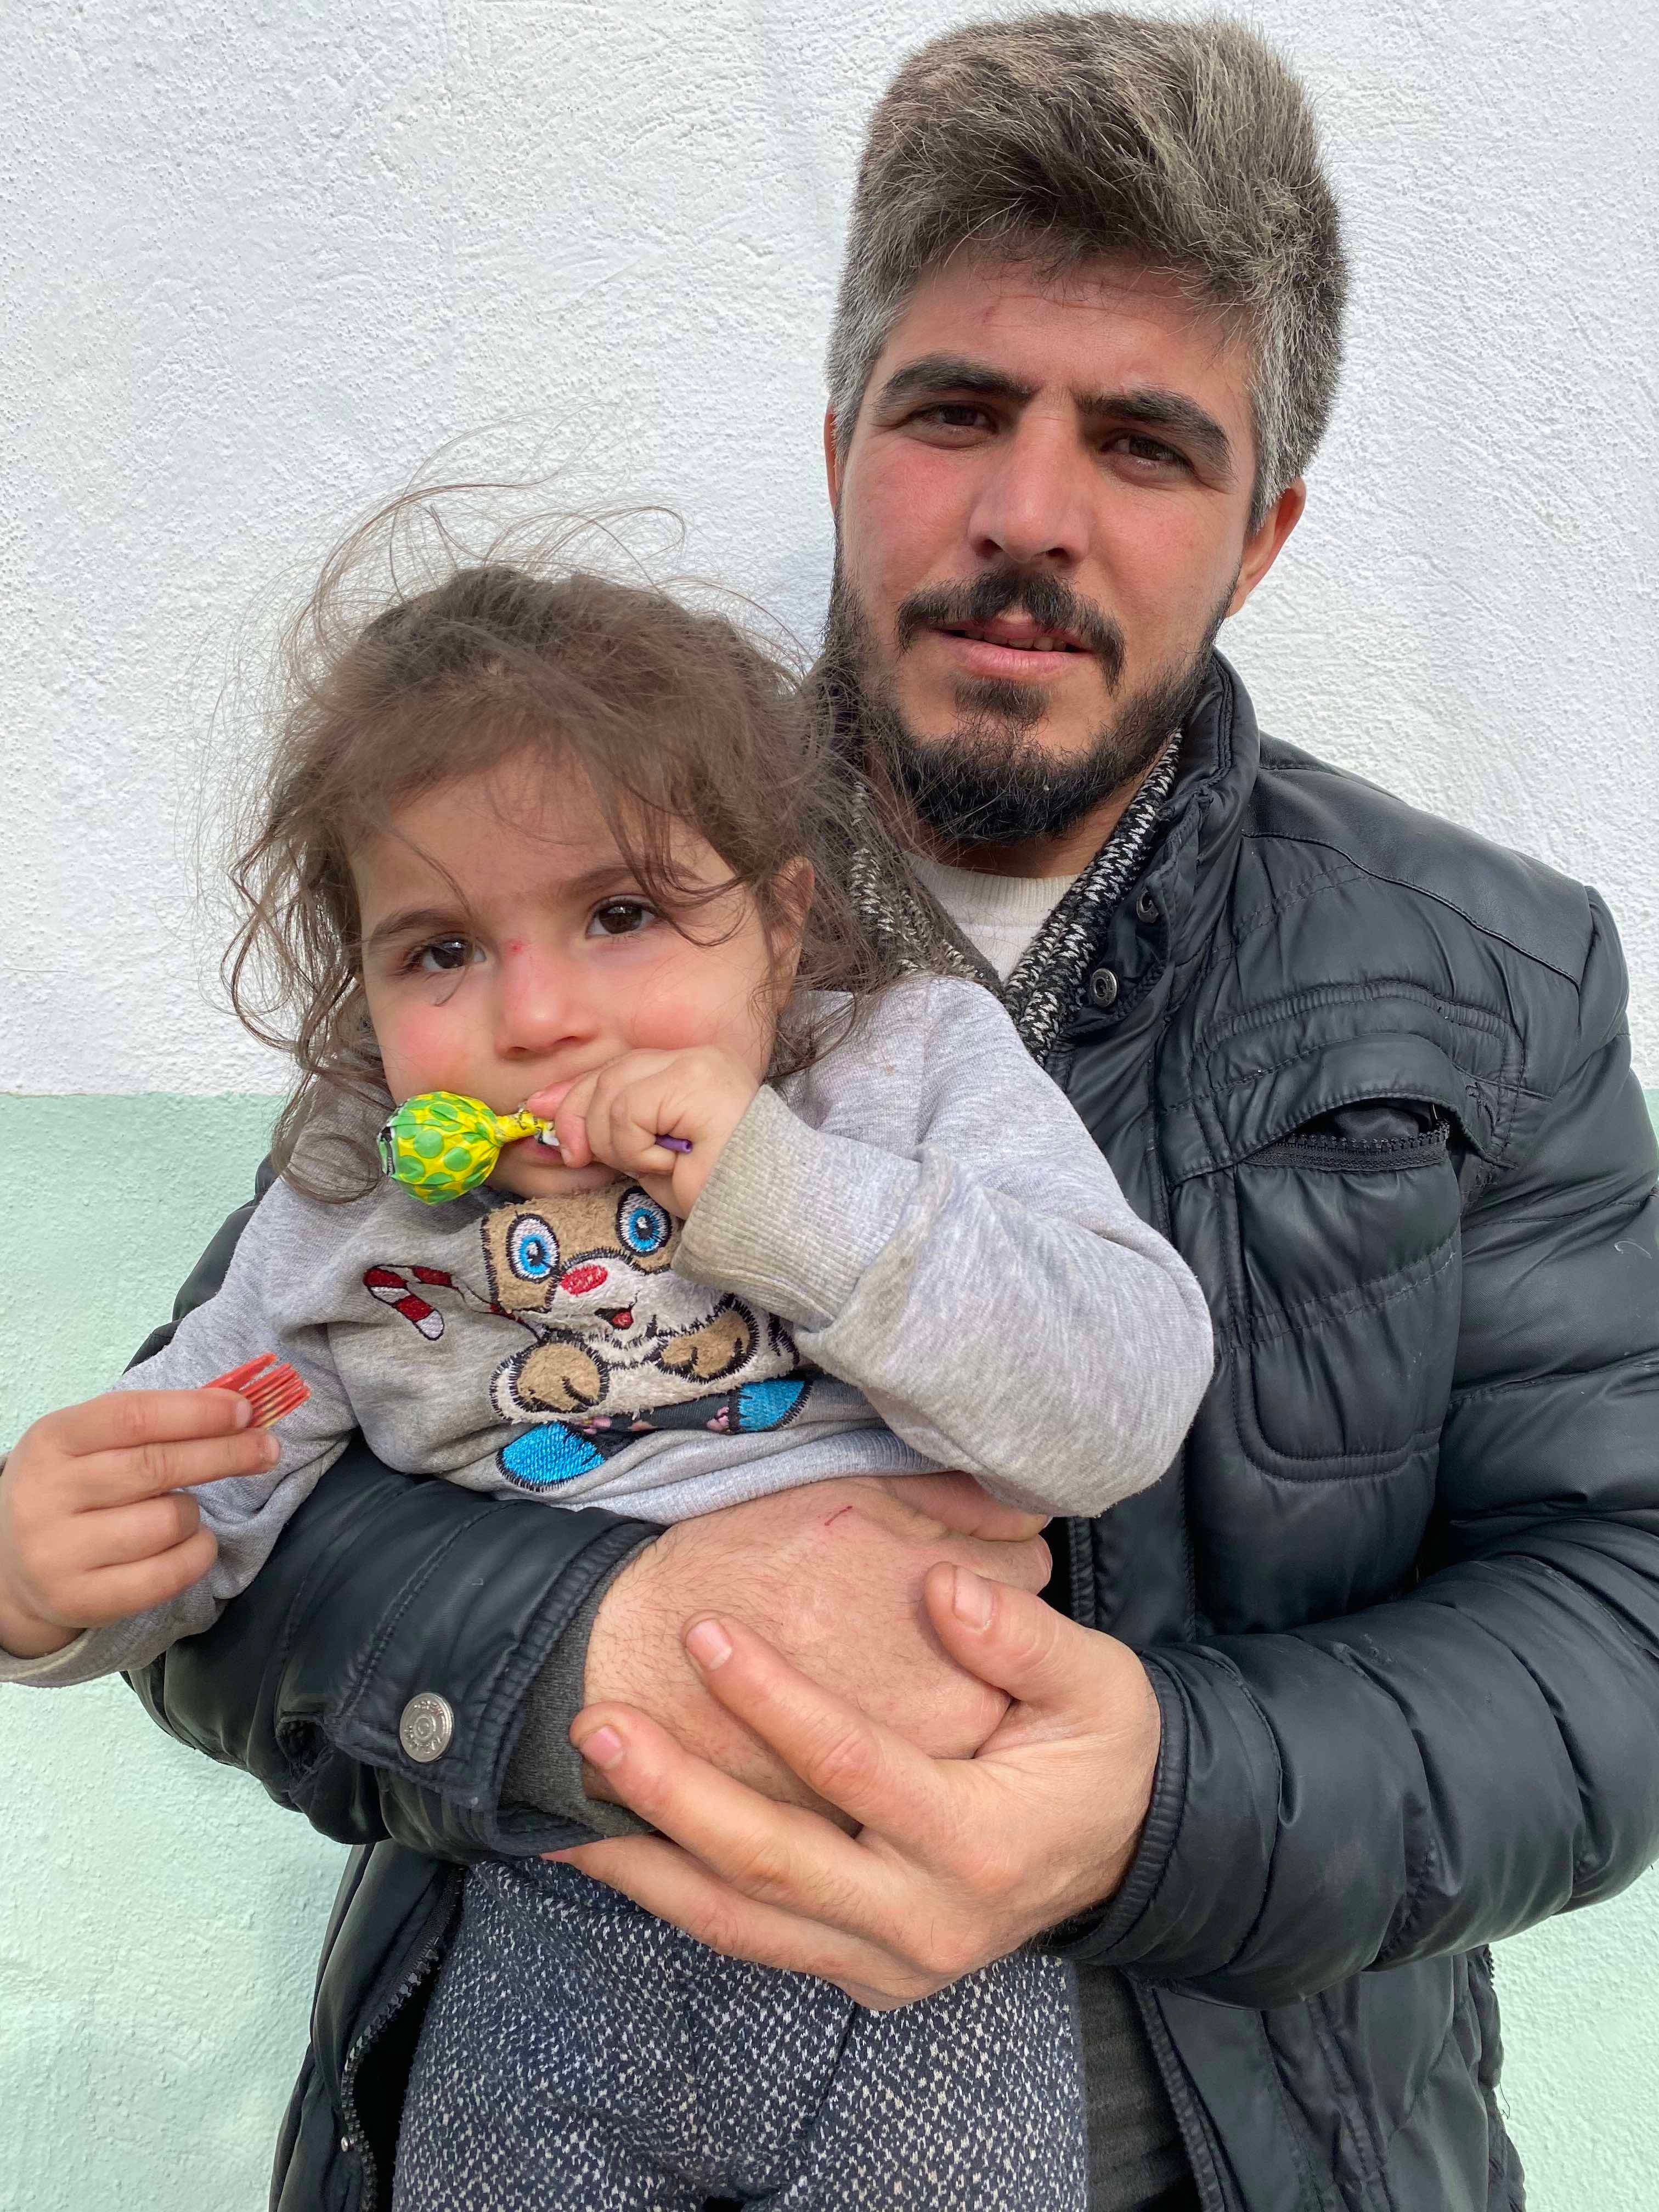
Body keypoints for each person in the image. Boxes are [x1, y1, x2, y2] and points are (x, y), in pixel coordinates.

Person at [99, 12, 1659, 2211]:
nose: (1027, 512)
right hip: (544, 2069)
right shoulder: (528, 873)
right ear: (844, 442)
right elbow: (232, 1504)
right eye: (956, 413)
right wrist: (597, 1645)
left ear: (1268, 529)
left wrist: (1168, 1796)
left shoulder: (1488, 983)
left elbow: (1622, 1614)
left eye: (1141, 443)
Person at [0, 548, 1213, 2210]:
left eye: (623, 914)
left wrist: (775, 1192)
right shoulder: (358, 1206)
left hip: (924, 1942)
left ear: (781, 929)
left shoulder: (900, 1075)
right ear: (364, 990)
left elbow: (1124, 1395)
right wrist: (45, 1588)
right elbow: (212, 1496)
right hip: (538, 1938)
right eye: (439, 952)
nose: (542, 1014)